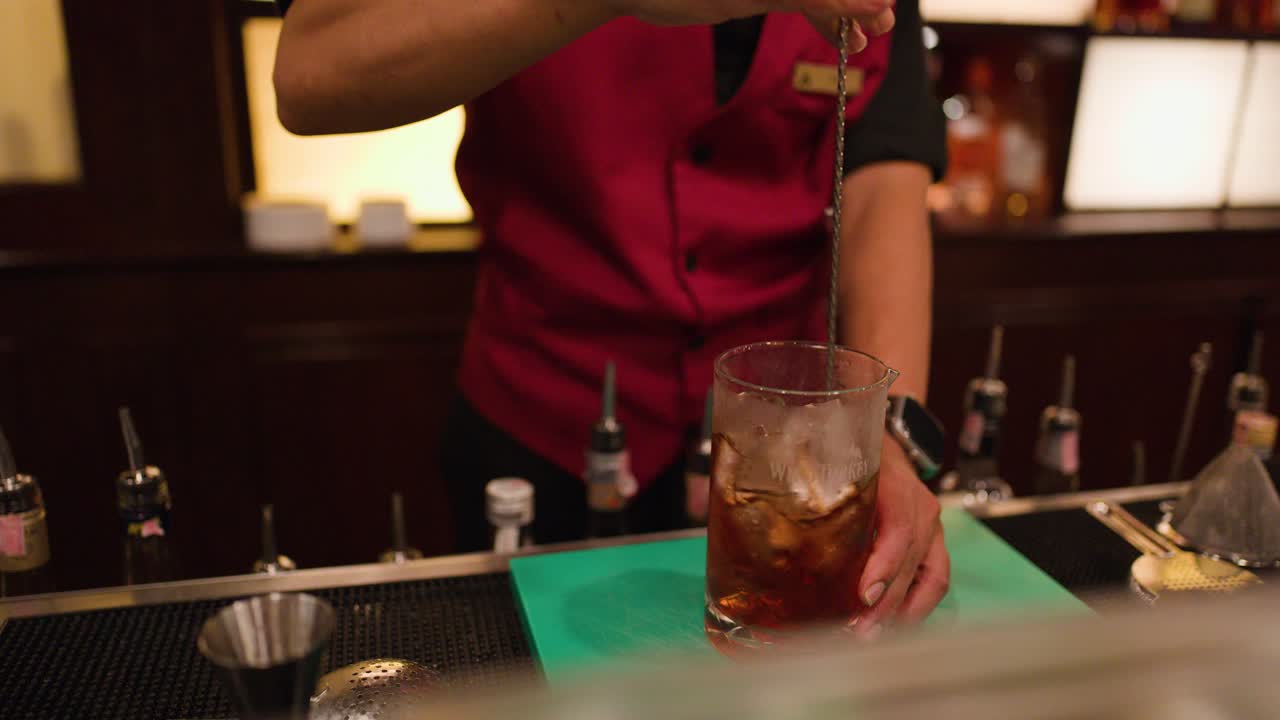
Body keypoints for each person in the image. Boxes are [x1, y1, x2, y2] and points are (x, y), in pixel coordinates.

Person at [274, 0, 949, 634]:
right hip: (540, 424)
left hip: (786, 458)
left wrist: (886, 430)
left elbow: (884, 179)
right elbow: (310, 73)